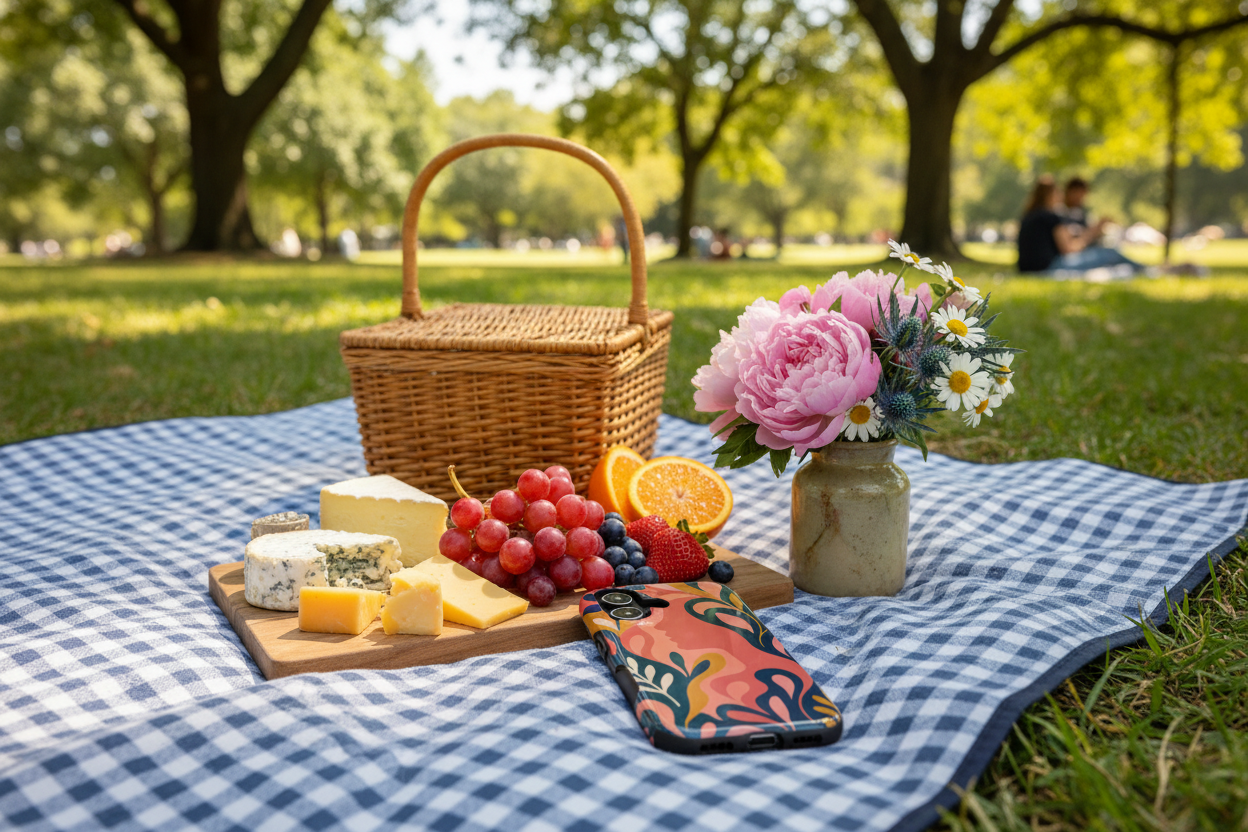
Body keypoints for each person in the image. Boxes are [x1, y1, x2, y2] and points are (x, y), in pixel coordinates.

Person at [1017, 176, 1142, 276]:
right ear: (1051, 195)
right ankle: (1147, 269)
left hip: (1028, 269)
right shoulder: (1050, 217)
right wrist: (1093, 232)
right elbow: (1069, 249)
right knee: (1111, 254)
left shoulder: (1030, 216)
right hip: (1050, 268)